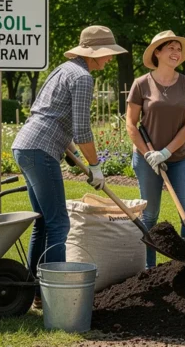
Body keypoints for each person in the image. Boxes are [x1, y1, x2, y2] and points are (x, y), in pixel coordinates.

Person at [12, 25, 127, 308]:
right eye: (108, 53)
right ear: (94, 52)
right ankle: (55, 297)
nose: (110, 58)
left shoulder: (63, 69)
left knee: (43, 221)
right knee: (59, 224)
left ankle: (33, 290)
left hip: (25, 145)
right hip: (40, 150)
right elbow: (82, 129)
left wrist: (72, 151)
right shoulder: (83, 77)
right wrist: (95, 165)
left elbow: (51, 114)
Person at [126, 30, 185, 268]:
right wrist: (148, 154)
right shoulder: (141, 84)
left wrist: (166, 152)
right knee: (150, 215)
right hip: (146, 160)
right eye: (171, 48)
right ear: (157, 52)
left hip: (179, 158)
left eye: (179, 49)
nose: (176, 52)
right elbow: (131, 124)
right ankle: (149, 269)